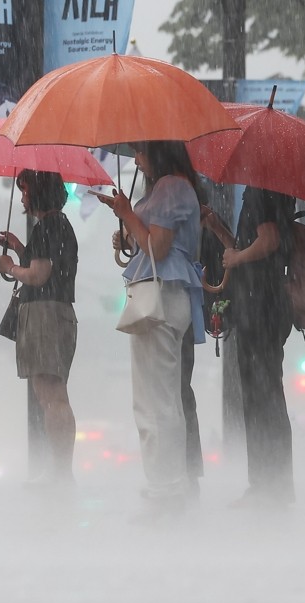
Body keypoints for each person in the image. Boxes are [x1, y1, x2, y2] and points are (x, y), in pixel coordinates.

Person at [96, 141, 205, 513]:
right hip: (171, 296)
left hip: (160, 296)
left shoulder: (172, 186)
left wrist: (127, 214)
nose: (137, 160)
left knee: (153, 401)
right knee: (165, 397)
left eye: (141, 152)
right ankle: (169, 483)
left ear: (159, 152)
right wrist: (127, 227)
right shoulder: (175, 186)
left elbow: (157, 248)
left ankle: (166, 485)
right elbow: (149, 242)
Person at [202, 185, 296, 506]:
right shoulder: (268, 192)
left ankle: (269, 486)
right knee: (263, 396)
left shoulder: (261, 191)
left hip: (261, 306)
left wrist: (238, 257)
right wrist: (217, 227)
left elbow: (268, 241)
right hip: (265, 304)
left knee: (261, 398)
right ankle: (271, 483)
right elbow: (248, 246)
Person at [0, 169, 79, 487]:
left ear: (39, 191)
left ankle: (60, 471)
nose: (24, 197)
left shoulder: (47, 227)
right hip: (59, 314)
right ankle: (60, 469)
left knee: (52, 396)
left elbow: (39, 275)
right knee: (54, 394)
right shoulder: (60, 225)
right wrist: (17, 246)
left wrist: (10, 267)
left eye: (26, 190)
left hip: (44, 315)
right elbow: (49, 268)